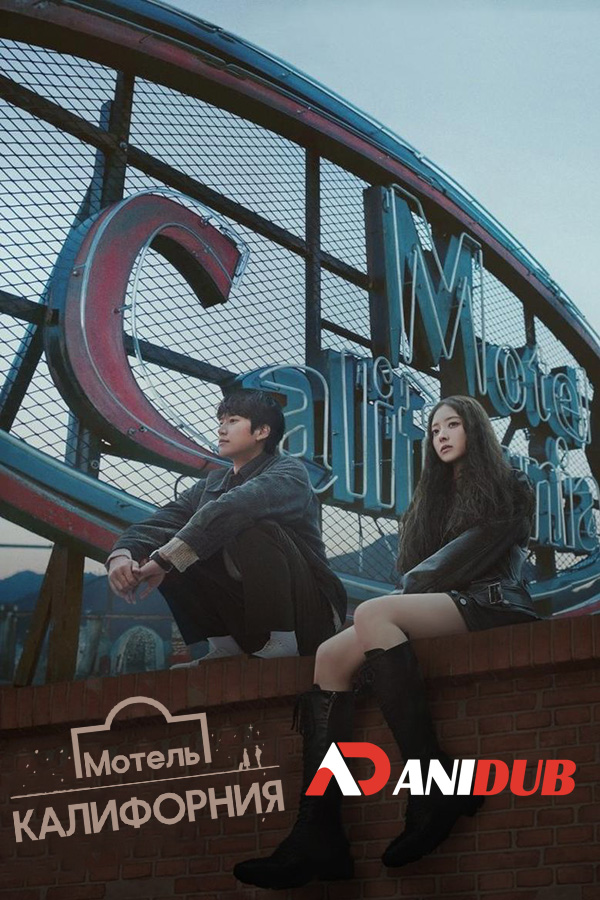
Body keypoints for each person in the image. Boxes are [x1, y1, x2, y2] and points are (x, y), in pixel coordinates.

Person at [234, 395, 544, 889]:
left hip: (493, 604)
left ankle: (435, 789)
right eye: (434, 429)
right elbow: (422, 570)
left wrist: (401, 596)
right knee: (331, 656)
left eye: (452, 425)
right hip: (445, 604)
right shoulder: (433, 497)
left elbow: (458, 560)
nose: (441, 436)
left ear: (476, 430)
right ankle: (317, 833)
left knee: (373, 614)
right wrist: (403, 597)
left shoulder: (511, 484)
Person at [106, 389, 346, 662]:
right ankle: (224, 646)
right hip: (244, 620)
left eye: (233, 421)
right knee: (184, 543)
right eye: (220, 421)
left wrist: (165, 559)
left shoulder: (289, 472)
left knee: (248, 527)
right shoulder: (210, 485)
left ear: (262, 431)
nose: (221, 429)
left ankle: (283, 639)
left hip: (310, 617)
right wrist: (122, 555)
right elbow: (161, 521)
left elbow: (238, 505)